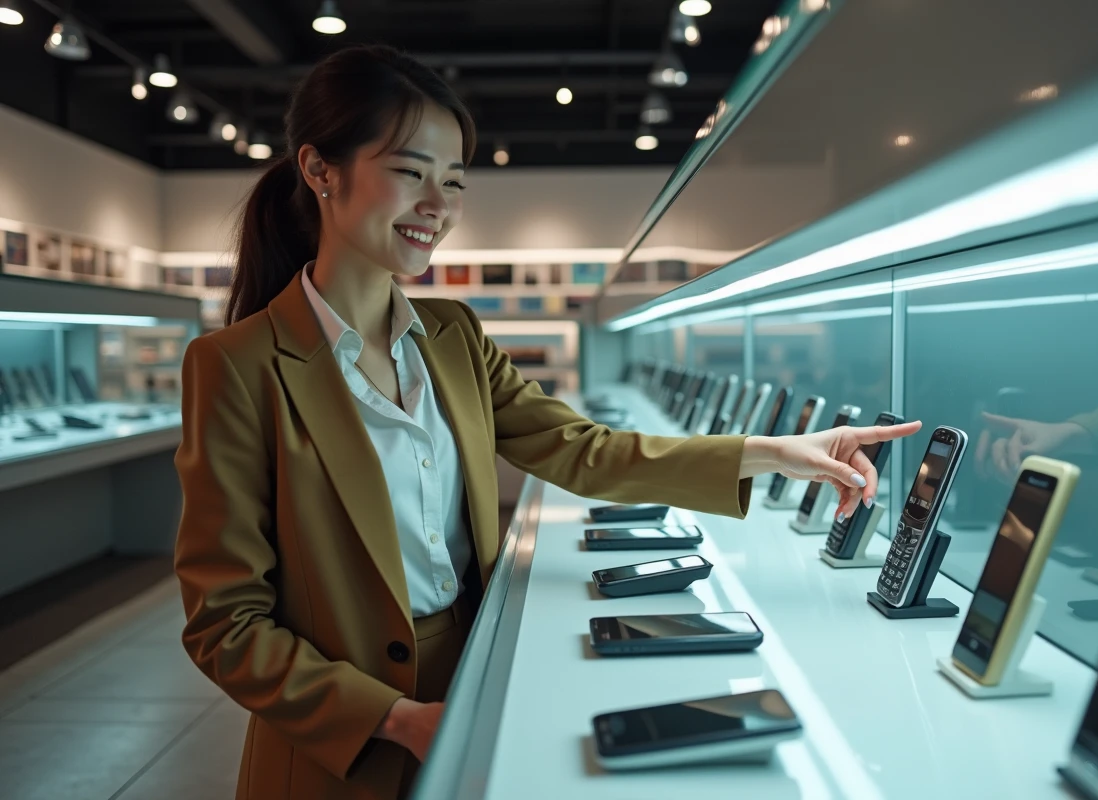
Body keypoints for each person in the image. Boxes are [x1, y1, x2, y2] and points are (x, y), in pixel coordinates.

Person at [173, 44, 922, 800]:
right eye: (410, 172)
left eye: (454, 181)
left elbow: (583, 449)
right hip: (338, 747)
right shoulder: (236, 365)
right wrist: (398, 719)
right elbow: (226, 627)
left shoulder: (453, 337)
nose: (437, 205)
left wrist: (773, 453)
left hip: (474, 681)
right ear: (320, 170)